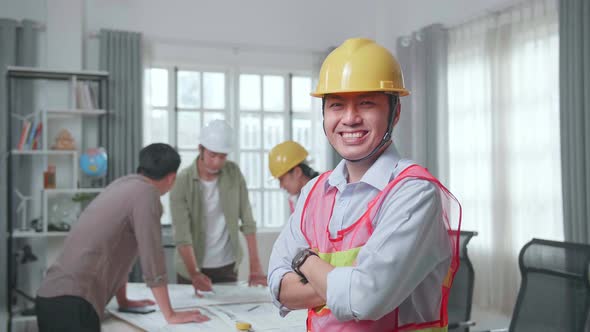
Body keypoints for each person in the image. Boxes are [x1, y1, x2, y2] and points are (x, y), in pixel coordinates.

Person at [267, 38, 462, 331]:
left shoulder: (414, 193)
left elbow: (364, 299)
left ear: (394, 112)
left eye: (366, 103)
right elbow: (278, 287)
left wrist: (302, 258)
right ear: (324, 115)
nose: (350, 118)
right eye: (336, 105)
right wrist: (344, 282)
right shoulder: (313, 193)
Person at [36, 143, 209, 332]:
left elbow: (120, 249)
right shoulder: (147, 194)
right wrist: (170, 314)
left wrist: (123, 300)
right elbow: (152, 258)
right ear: (172, 178)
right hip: (73, 304)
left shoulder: (122, 184)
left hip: (51, 297)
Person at [170, 119, 267, 294]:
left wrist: (255, 267)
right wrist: (194, 274)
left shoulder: (233, 173)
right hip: (190, 268)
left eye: (222, 157)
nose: (217, 162)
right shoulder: (182, 181)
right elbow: (182, 235)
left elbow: (247, 221)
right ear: (201, 149)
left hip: (226, 266)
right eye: (212, 155)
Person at [268, 140, 320, 213]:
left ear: (297, 172)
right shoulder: (298, 198)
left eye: (281, 179)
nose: (281, 186)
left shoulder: (322, 196)